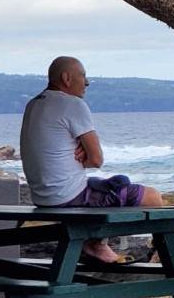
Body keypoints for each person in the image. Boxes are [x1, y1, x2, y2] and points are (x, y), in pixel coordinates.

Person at [20, 55, 164, 264]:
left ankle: (96, 242)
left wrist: (81, 152)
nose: (87, 82)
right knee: (152, 198)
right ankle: (96, 244)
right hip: (67, 197)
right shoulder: (72, 105)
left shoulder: (34, 104)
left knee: (117, 183)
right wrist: (86, 156)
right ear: (67, 78)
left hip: (43, 197)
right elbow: (97, 160)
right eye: (83, 76)